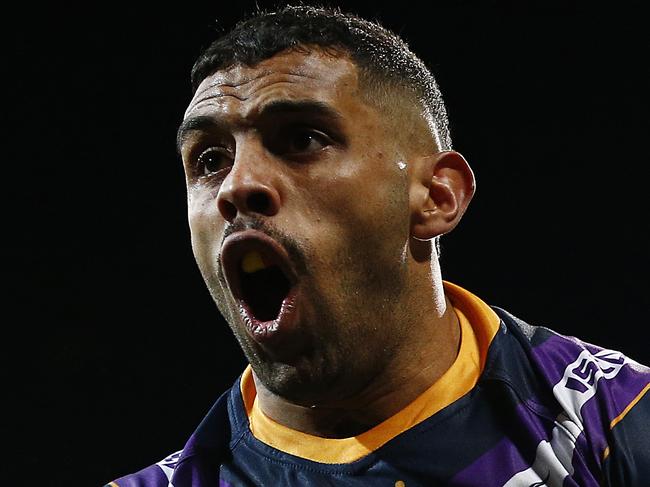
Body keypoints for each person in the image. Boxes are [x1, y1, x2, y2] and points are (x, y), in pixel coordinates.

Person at [106, 5, 649, 486]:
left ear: (436, 196)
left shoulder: (617, 422)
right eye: (209, 160)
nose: (236, 186)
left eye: (301, 139)